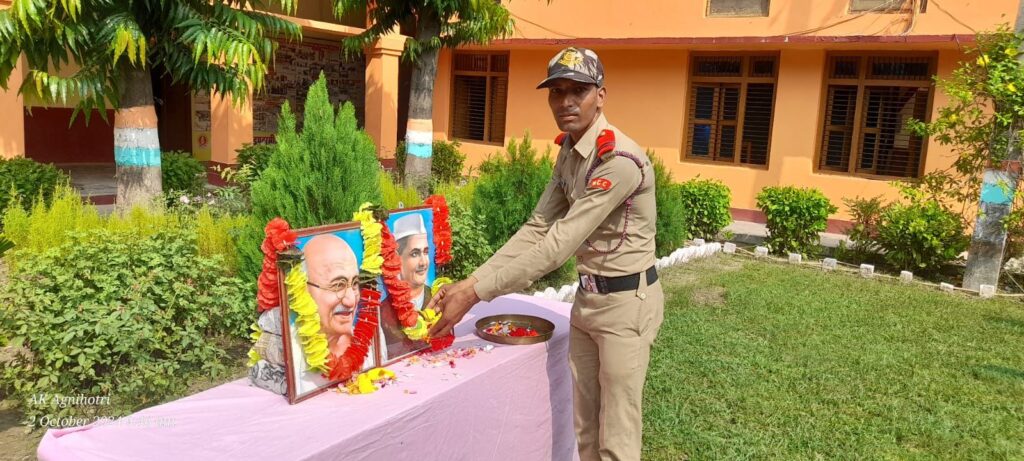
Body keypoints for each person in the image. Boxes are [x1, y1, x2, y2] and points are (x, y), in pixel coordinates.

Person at [428, 47, 663, 461]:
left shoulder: (618, 160)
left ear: (600, 96)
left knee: (617, 438)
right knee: (585, 430)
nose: (566, 101)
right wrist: (470, 282)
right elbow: (537, 227)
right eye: (557, 91)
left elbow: (558, 245)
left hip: (626, 305)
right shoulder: (570, 149)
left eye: (578, 90)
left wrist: (476, 294)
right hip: (589, 299)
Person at [380, 213, 432, 361]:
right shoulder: (383, 312)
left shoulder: (437, 298)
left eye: (426, 252)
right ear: (397, 259)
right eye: (415, 254)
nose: (423, 262)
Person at [302, 233, 360, 358]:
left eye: (355, 283)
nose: (351, 301)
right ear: (304, 290)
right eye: (338, 285)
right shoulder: (290, 353)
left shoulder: (371, 343)